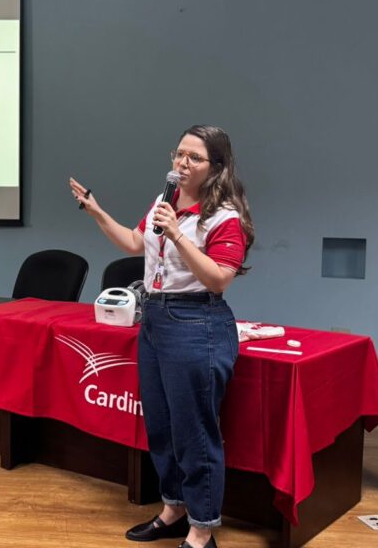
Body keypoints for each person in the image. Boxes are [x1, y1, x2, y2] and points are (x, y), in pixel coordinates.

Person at [69, 125, 254, 548]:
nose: (182, 163)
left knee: (194, 431)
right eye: (179, 154)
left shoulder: (225, 217)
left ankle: (202, 529)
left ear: (216, 167)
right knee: (161, 425)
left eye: (194, 157)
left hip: (196, 322)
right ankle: (174, 509)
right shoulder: (163, 202)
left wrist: (176, 233)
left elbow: (218, 279)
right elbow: (135, 242)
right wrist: (96, 211)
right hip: (154, 318)